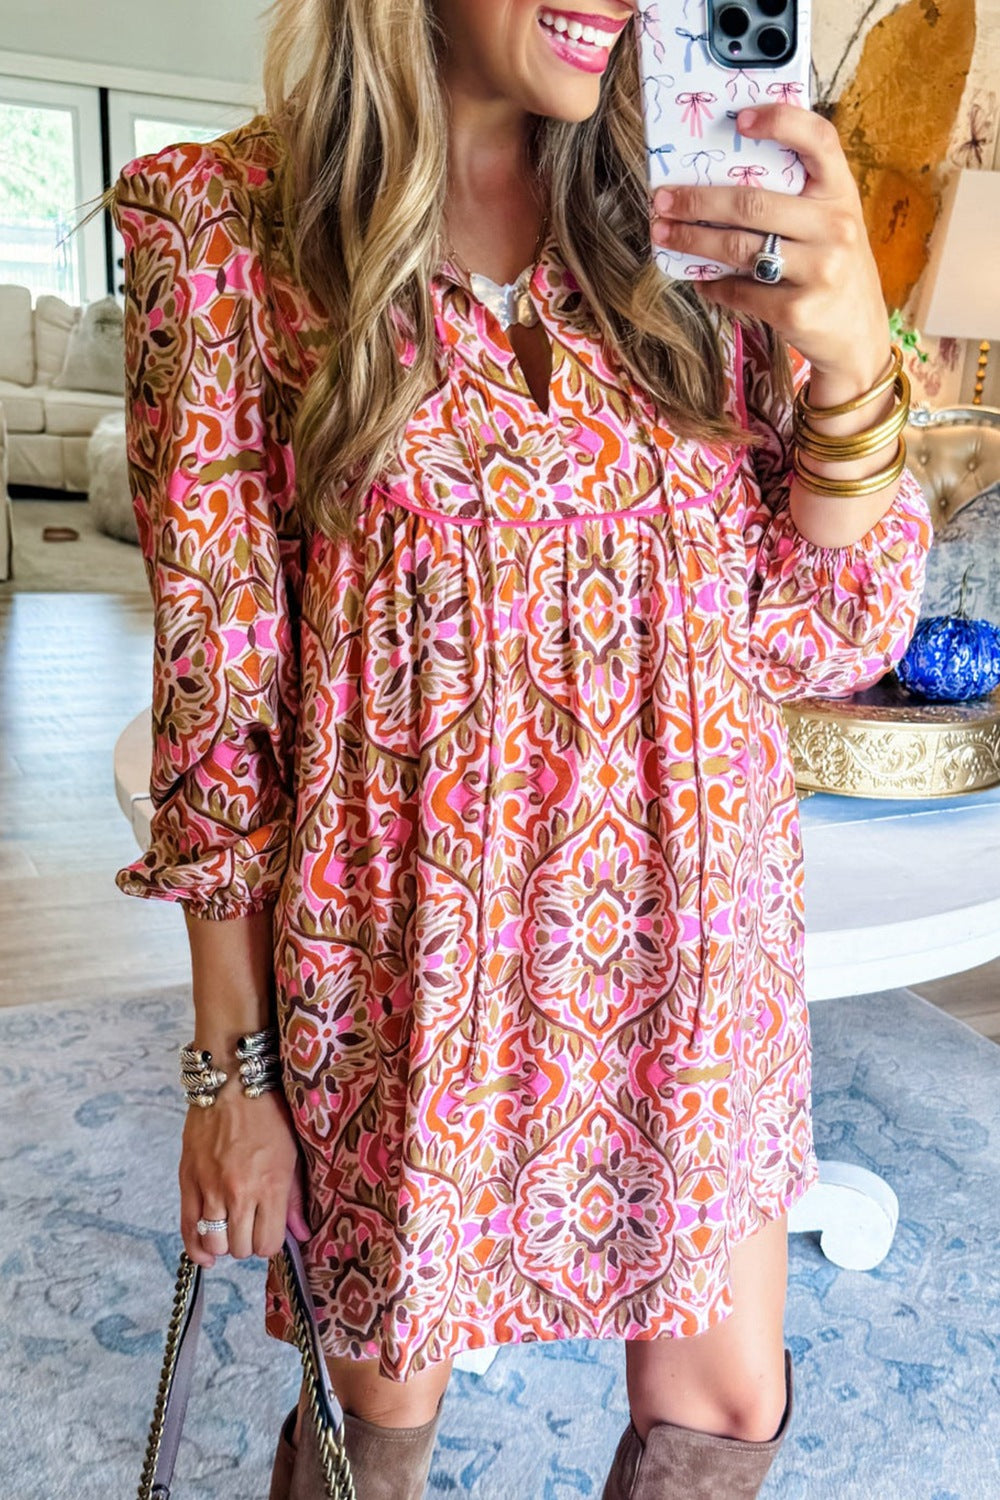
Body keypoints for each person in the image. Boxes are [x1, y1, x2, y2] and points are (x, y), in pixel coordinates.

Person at [104, 2, 932, 1496]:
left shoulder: (703, 219)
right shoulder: (227, 230)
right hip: (411, 978)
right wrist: (229, 1075)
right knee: (380, 1420)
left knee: (722, 1409)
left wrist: (852, 363)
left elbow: (826, 631)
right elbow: (222, 704)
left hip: (697, 956)